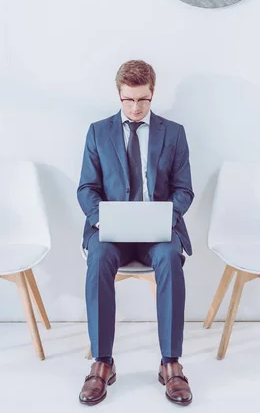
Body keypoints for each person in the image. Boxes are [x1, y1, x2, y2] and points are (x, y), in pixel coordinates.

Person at [77, 60, 194, 406]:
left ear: (153, 93)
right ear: (119, 95)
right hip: (111, 234)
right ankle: (102, 361)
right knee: (97, 258)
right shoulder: (98, 132)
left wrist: (165, 218)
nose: (135, 108)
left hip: (157, 234)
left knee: (171, 256)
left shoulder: (173, 133)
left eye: (142, 100)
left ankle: (170, 362)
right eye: (128, 100)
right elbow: (87, 188)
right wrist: (102, 219)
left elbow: (184, 190)